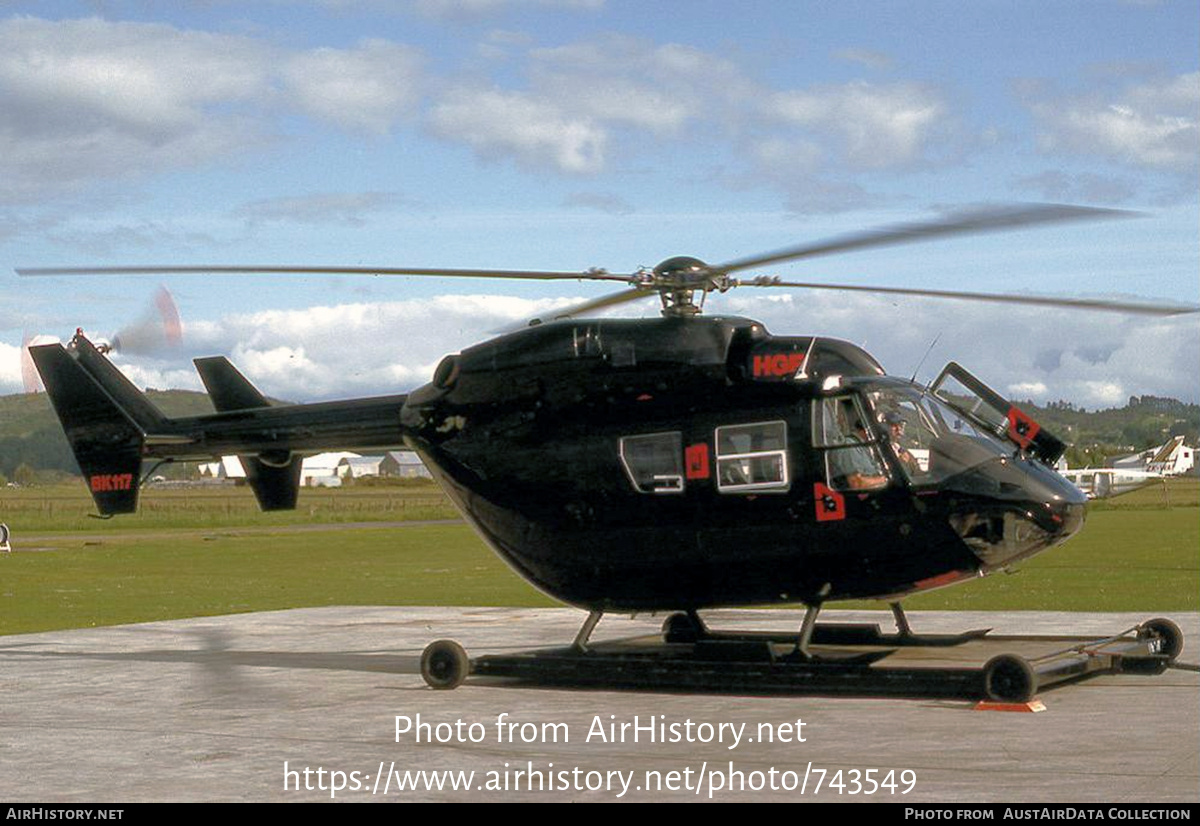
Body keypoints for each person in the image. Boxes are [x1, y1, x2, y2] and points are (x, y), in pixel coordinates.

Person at [884, 411, 920, 477]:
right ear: (884, 427)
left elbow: (917, 471)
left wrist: (911, 462)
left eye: (900, 424)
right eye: (893, 425)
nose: (898, 428)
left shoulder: (900, 449)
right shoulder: (880, 448)